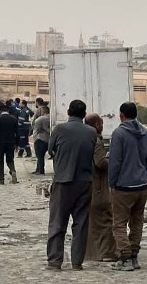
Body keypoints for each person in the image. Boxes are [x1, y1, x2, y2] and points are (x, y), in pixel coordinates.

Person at [46, 100, 96, 271]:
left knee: (57, 222)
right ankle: (77, 262)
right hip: (84, 182)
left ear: (68, 112)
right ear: (84, 115)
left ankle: (55, 261)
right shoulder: (91, 132)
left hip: (63, 181)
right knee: (81, 224)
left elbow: (50, 150)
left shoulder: (59, 129)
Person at [108, 102, 147, 271]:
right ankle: (134, 256)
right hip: (142, 185)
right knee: (137, 222)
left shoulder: (119, 134)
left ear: (121, 115)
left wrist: (112, 183)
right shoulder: (146, 134)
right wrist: (146, 180)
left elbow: (115, 162)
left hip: (123, 186)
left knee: (119, 223)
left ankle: (125, 257)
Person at [84, 113, 117, 262]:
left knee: (94, 221)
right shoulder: (96, 141)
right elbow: (101, 162)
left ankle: (92, 253)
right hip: (99, 186)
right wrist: (115, 161)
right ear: (97, 125)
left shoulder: (84, 138)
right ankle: (107, 253)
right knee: (105, 219)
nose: (103, 126)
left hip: (88, 184)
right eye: (101, 123)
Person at [0, 103, 19, 184]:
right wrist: (17, 144)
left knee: (0, 160)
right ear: (8, 111)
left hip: (0, 143)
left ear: (0, 111)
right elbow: (17, 132)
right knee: (10, 159)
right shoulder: (14, 119)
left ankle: (1, 179)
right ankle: (12, 170)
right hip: (11, 142)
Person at [31, 106, 50, 175]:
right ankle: (38, 169)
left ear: (43, 111)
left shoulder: (40, 119)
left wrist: (35, 139)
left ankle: (40, 170)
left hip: (41, 139)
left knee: (40, 156)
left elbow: (35, 129)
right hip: (50, 139)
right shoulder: (51, 118)